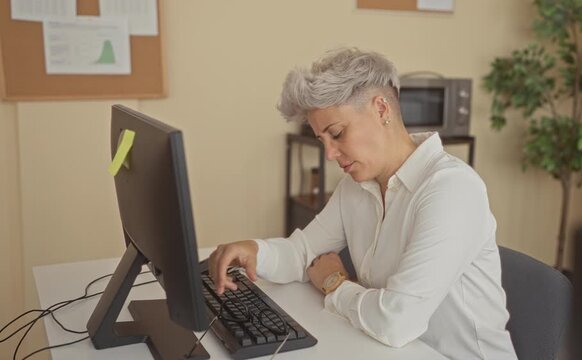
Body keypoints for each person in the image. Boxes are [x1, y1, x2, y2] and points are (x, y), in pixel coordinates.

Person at [209, 47, 517, 359]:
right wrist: (254, 251)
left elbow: (397, 322)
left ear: (381, 109)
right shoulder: (355, 187)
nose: (329, 154)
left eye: (337, 134)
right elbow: (304, 253)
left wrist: (335, 284)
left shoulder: (451, 189)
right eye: (322, 141)